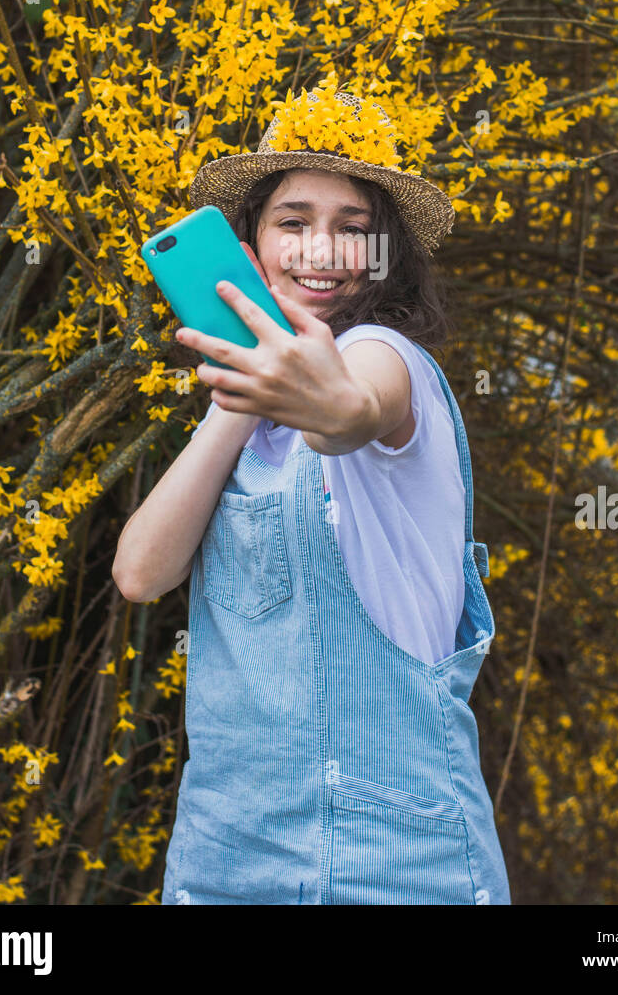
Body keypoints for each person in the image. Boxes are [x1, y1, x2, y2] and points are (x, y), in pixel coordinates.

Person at [112, 84, 511, 905]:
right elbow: (141, 574)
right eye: (293, 223)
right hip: (225, 863)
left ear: (384, 256)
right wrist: (239, 384)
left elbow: (354, 408)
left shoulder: (387, 358)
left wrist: (329, 400)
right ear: (250, 246)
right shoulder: (240, 415)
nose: (321, 253)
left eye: (353, 231)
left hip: (392, 866)